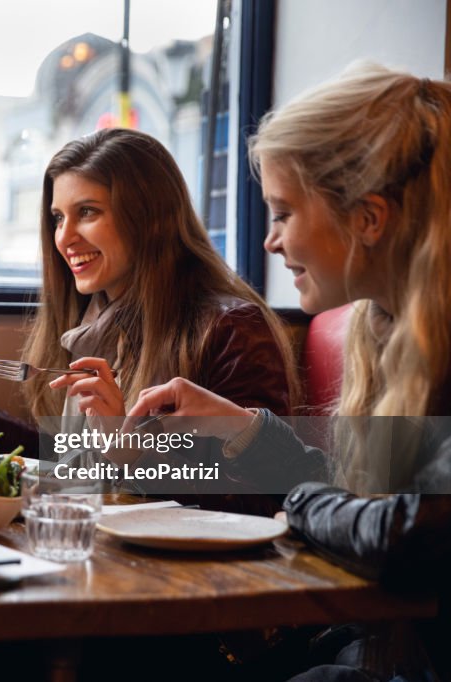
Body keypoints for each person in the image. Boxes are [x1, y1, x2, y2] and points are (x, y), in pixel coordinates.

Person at [130, 63, 451, 681]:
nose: (270, 242)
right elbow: (365, 507)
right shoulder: (387, 330)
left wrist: (302, 506)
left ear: (369, 218)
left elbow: (414, 536)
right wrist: (245, 430)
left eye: (282, 213)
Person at [0, 128, 298, 494]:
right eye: (58, 218)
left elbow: (260, 499)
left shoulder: (232, 329)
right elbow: (80, 465)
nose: (64, 238)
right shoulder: (89, 321)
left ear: (150, 220)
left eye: (87, 212)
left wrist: (132, 458)